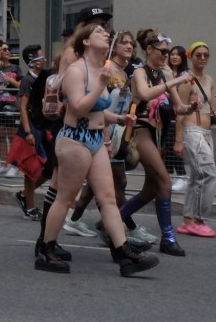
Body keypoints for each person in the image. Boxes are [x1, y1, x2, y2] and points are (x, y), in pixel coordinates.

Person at [36, 23, 159, 277]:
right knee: (65, 198)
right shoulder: (76, 70)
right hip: (74, 140)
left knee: (108, 198)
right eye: (100, 33)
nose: (106, 35)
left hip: (94, 140)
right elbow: (80, 107)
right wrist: (101, 84)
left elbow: (98, 110)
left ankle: (124, 253)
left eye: (107, 33)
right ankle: (46, 249)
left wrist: (118, 119)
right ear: (86, 42)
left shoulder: (100, 68)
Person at [66, 31, 159, 245]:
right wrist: (107, 139)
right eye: (123, 43)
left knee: (100, 184)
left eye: (131, 44)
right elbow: (98, 106)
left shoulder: (126, 73)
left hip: (117, 131)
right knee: (118, 182)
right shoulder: (107, 69)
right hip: (101, 134)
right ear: (114, 47)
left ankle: (75, 218)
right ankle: (126, 227)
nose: (129, 46)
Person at [35, 6, 112, 260]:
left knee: (60, 188)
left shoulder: (86, 54)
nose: (104, 28)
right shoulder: (74, 54)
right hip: (72, 125)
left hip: (84, 124)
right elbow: (75, 93)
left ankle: (47, 241)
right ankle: (46, 242)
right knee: (61, 190)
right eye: (98, 23)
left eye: (104, 24)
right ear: (85, 27)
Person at [119, 29, 196, 257]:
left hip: (157, 134)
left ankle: (114, 220)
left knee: (151, 189)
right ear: (149, 50)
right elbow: (143, 94)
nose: (165, 55)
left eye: (167, 52)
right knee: (164, 180)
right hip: (140, 130)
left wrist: (189, 107)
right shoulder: (139, 72)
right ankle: (168, 238)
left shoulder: (164, 75)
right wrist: (178, 79)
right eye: (162, 51)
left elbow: (177, 107)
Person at [174, 41, 216, 238]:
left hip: (206, 133)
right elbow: (179, 111)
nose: (202, 58)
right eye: (198, 55)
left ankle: (188, 220)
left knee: (196, 177)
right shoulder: (186, 81)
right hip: (191, 131)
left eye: (206, 55)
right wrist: (179, 140)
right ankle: (198, 220)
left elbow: (214, 109)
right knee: (208, 174)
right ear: (190, 57)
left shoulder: (209, 80)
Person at [12, 44, 50, 221]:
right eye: (40, 57)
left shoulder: (45, 77)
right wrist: (28, 132)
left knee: (48, 168)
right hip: (31, 128)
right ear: (32, 62)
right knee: (31, 168)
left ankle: (23, 195)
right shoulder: (27, 81)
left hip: (43, 126)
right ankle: (30, 207)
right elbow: (23, 108)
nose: (44, 59)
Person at [0, 40, 22, 177]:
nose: (8, 51)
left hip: (12, 106)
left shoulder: (15, 68)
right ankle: (3, 165)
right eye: (4, 49)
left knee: (13, 137)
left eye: (8, 49)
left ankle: (14, 166)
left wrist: (11, 80)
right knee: (0, 137)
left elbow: (21, 85)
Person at [165, 45, 189, 192]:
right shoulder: (166, 72)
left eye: (177, 55)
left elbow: (180, 97)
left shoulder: (184, 74)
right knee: (166, 146)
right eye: (172, 54)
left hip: (178, 114)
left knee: (174, 145)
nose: (174, 57)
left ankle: (182, 176)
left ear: (182, 58)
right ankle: (171, 176)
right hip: (165, 114)